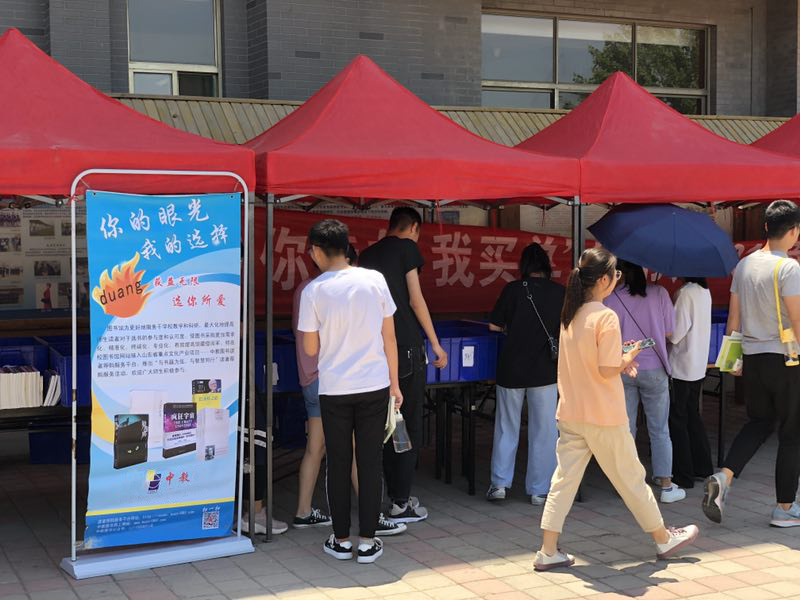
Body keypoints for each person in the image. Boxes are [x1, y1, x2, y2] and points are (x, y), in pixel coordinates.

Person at [536, 247, 699, 572]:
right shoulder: (605, 316)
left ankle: (547, 550)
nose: (618, 279)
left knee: (563, 482)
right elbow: (607, 368)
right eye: (616, 275)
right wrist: (628, 357)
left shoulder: (571, 314)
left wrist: (621, 361)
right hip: (604, 415)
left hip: (571, 412)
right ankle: (663, 538)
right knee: (632, 479)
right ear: (605, 280)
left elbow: (593, 363)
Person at [298, 219, 403, 564]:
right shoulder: (375, 280)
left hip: (335, 389)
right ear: (346, 247)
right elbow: (390, 339)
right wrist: (395, 385)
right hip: (375, 385)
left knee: (339, 463)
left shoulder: (313, 291)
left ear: (317, 251)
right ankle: (369, 541)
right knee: (370, 463)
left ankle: (341, 540)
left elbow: (310, 349)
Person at [703, 200, 800, 528]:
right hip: (787, 359)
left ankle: (724, 476)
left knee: (758, 423)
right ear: (794, 231)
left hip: (752, 359)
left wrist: (732, 358)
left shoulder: (744, 265)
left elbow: (734, 319)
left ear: (766, 227)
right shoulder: (789, 268)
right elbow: (797, 320)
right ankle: (785, 507)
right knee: (792, 433)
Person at [359, 206, 447, 524]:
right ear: (413, 228)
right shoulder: (408, 248)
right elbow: (415, 299)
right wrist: (435, 342)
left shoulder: (367, 255)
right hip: (406, 347)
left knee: (383, 424)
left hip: (375, 348)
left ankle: (387, 494)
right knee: (406, 423)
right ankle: (400, 502)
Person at [486, 243, 564, 505]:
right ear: (546, 266)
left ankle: (499, 484)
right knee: (545, 430)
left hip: (512, 368)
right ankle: (540, 490)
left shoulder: (513, 289)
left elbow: (494, 326)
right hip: (545, 371)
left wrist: (513, 328)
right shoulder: (560, 292)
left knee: (506, 427)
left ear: (524, 266)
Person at [605, 260, 683, 503]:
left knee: (626, 429)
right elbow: (669, 332)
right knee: (659, 429)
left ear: (619, 273)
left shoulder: (611, 298)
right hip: (655, 368)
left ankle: (628, 484)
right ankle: (666, 485)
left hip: (623, 368)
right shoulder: (659, 293)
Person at [668, 277, 714, 490]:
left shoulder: (685, 293)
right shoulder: (705, 292)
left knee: (678, 420)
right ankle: (703, 467)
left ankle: (683, 475)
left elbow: (676, 334)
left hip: (681, 364)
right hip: (698, 363)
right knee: (692, 416)